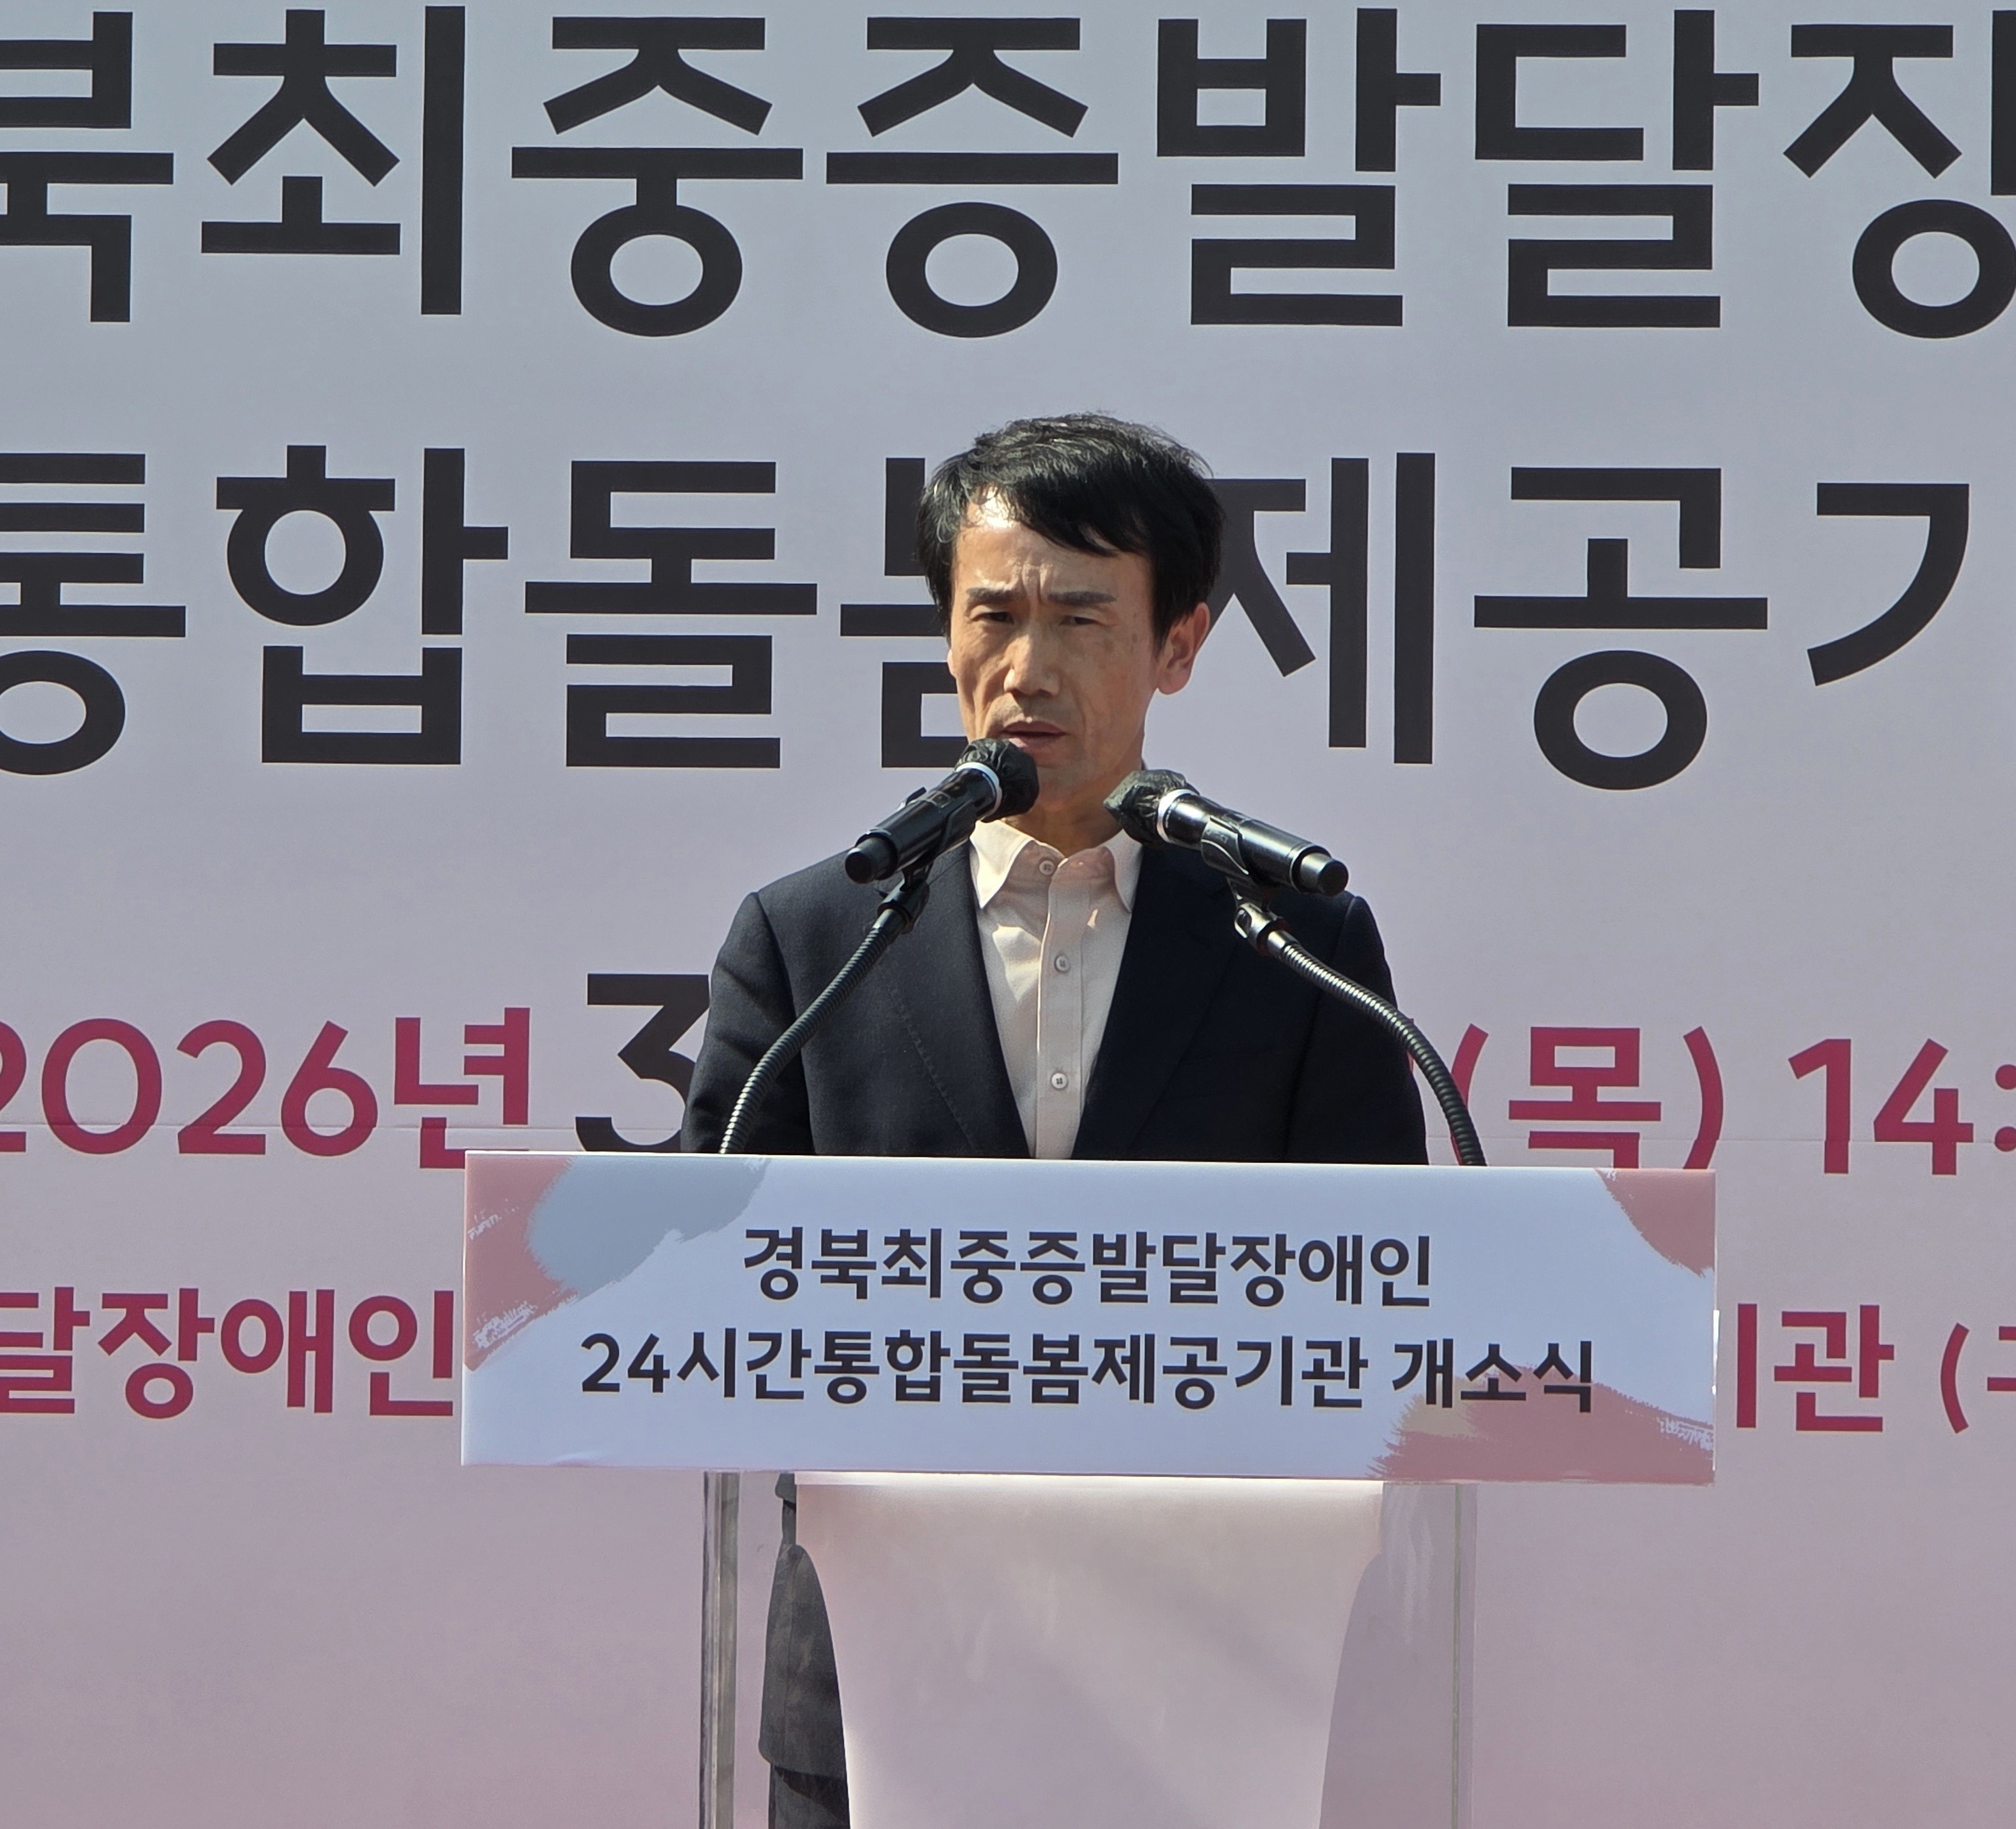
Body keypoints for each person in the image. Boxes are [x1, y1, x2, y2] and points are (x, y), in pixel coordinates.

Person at [682, 412, 1427, 1828]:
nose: (1027, 668)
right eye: (993, 616)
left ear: (1177, 645)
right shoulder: (814, 931)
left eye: (1081, 619)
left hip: (1205, 1659)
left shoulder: (1291, 934)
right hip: (876, 1671)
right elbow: (704, 1264)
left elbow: (1379, 1274)